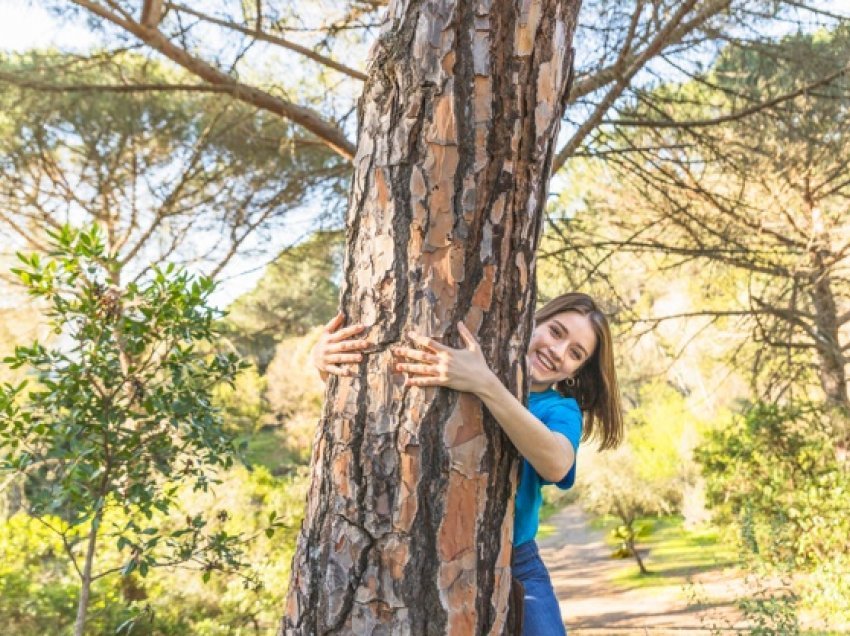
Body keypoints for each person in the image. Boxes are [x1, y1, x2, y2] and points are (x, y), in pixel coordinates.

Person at [310, 292, 624, 636]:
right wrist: (324, 365)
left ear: (577, 371)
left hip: (515, 558)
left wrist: (485, 385)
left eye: (575, 353)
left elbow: (557, 464)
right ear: (534, 321)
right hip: (404, 547)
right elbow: (386, 402)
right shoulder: (471, 357)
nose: (558, 351)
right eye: (556, 332)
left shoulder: (558, 409)